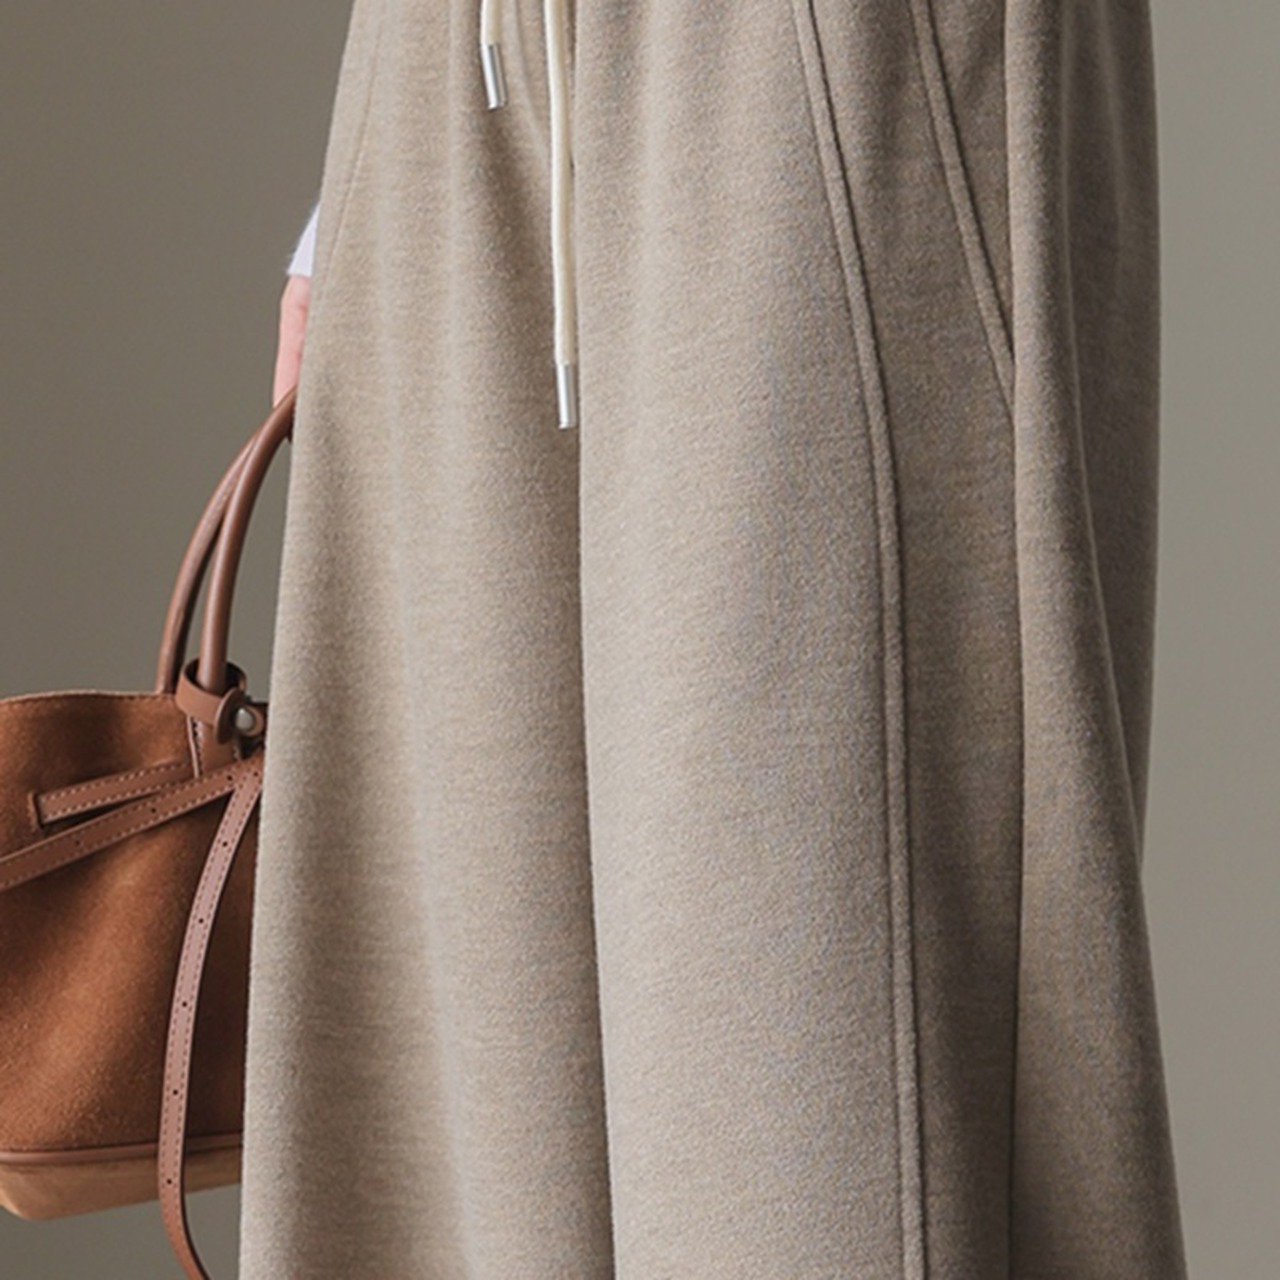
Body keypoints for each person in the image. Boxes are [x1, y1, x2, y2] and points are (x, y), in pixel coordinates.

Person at [243, 2, 1189, 1276]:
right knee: (430, 1181)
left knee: (801, 1124)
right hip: (447, 77)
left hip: (815, 62)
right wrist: (348, 202)